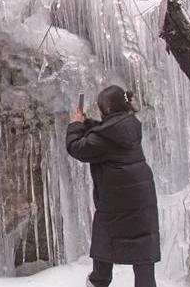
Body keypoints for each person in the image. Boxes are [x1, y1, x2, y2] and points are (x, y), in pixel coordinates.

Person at [66, 85, 160, 287]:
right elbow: (104, 131)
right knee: (143, 253)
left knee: (104, 245)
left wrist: (76, 125)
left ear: (105, 110)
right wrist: (87, 123)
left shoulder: (104, 138)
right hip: (142, 199)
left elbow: (76, 148)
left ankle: (99, 282)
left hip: (115, 203)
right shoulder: (131, 125)